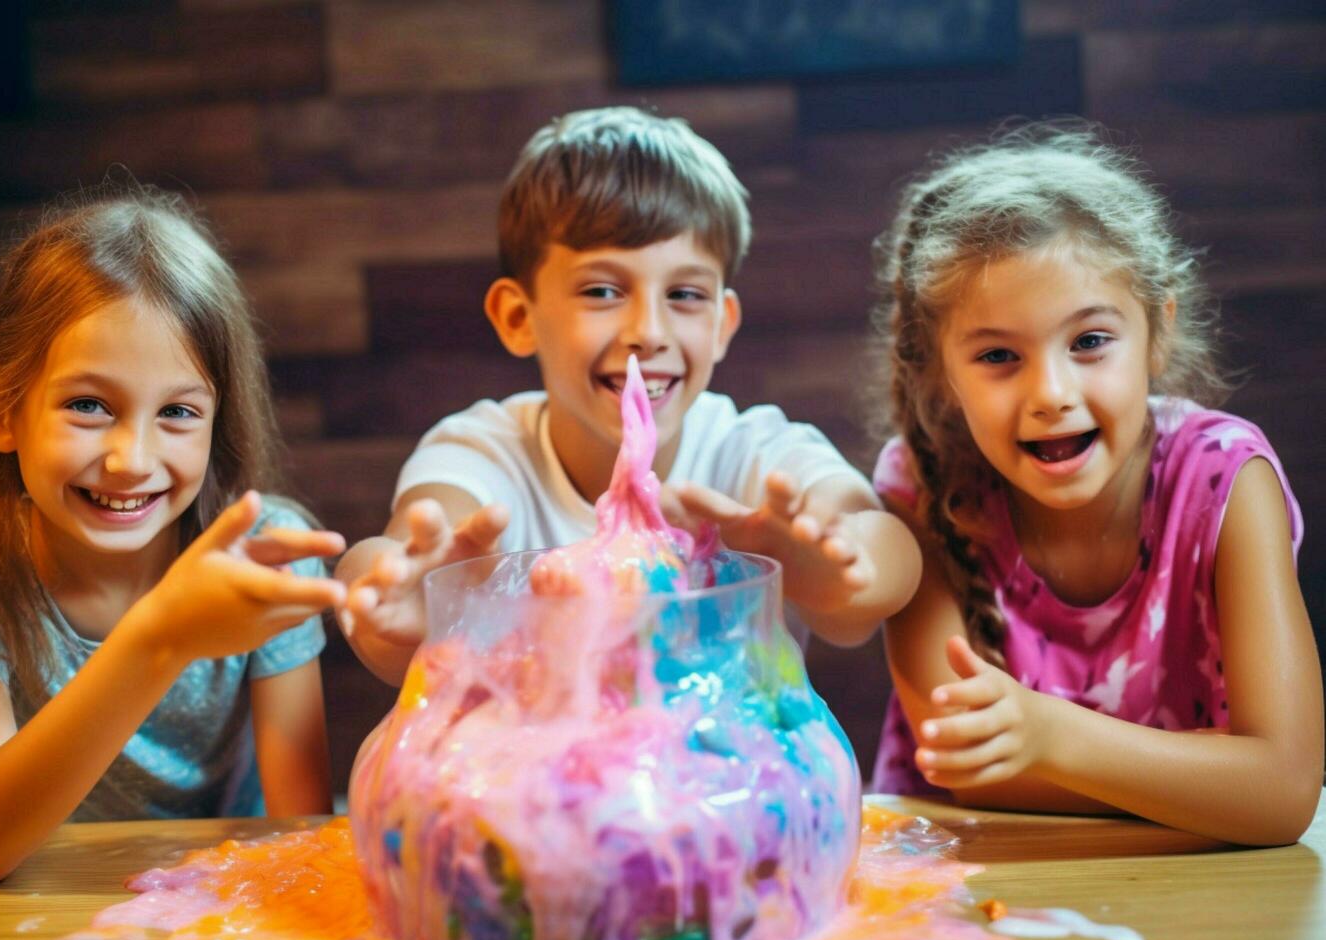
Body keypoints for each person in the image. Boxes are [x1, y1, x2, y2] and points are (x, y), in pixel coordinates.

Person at [337, 106, 921, 687]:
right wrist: (406, 603)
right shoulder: (482, 453)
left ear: (722, 323)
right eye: (602, 290)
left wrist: (837, 572)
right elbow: (404, 556)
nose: (649, 330)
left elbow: (878, 541)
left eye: (686, 295)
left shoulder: (751, 453)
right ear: (519, 317)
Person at [868, 122, 1321, 845]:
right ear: (943, 374)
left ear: (1158, 334)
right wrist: (1209, 786)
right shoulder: (917, 485)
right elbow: (964, 765)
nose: (1051, 392)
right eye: (997, 356)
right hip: (967, 895)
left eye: (1089, 342)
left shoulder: (1228, 481)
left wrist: (1050, 739)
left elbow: (1286, 791)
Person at [0, 188, 348, 881]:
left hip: (230, 892)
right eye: (87, 405)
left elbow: (303, 835)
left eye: (176, 412)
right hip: (61, 892)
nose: (130, 460)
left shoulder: (268, 555)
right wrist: (159, 637)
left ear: (216, 421)